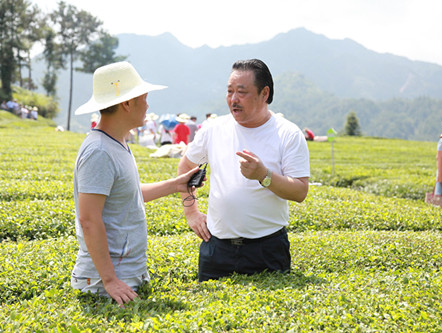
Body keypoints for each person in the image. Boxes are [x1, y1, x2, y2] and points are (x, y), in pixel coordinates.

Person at [71, 61, 201, 306]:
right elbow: (89, 219)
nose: (148, 104)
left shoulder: (117, 143)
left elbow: (126, 194)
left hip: (126, 275)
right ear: (127, 103)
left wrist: (177, 185)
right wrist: (109, 280)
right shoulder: (99, 151)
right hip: (104, 283)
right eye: (144, 97)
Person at [177, 59, 310, 282]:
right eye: (229, 92)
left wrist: (263, 176)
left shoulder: (288, 134)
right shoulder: (213, 128)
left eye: (242, 92)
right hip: (216, 248)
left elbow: (299, 192)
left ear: (264, 93)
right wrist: (191, 212)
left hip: (267, 249)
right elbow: (186, 167)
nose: (233, 99)